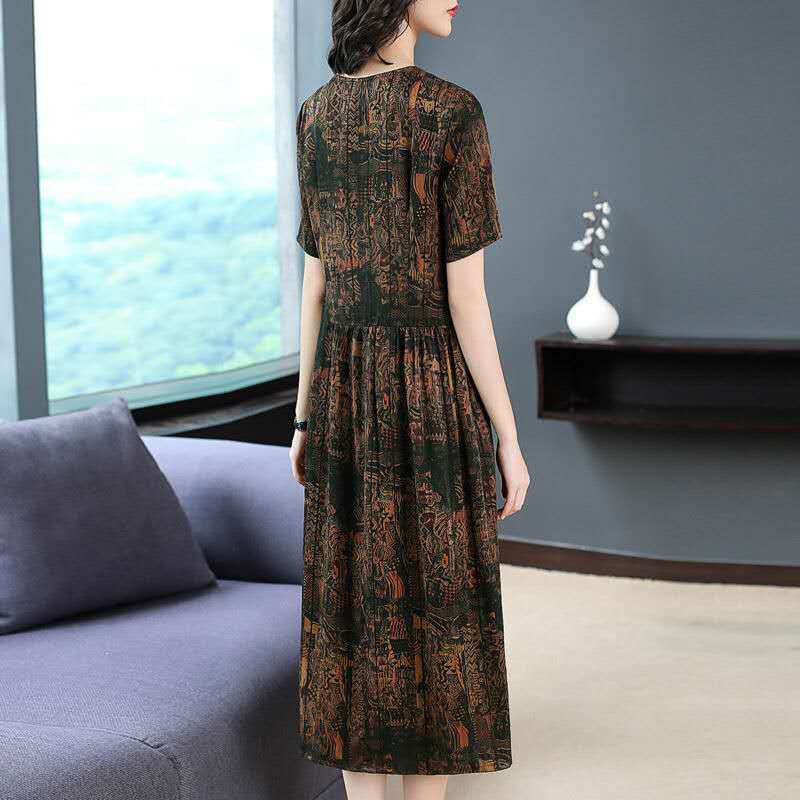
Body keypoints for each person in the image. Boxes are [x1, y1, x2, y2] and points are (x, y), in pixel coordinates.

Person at [289, 2, 530, 798]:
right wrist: (507, 436)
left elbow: (316, 284)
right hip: (430, 388)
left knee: (354, 602)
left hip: (341, 389)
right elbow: (467, 300)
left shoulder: (315, 115)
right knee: (439, 604)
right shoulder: (452, 111)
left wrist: (303, 415)